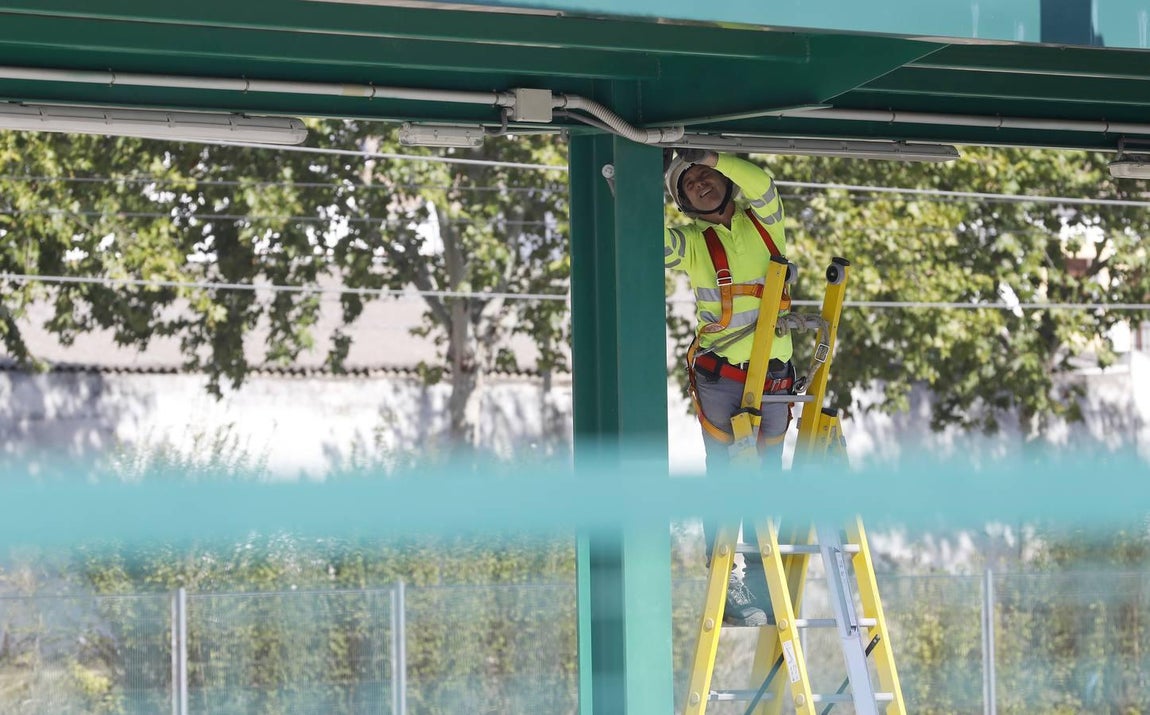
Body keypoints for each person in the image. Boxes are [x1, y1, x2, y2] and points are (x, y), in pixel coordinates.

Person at [663, 148, 797, 627]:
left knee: (767, 472)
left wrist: (713, 156)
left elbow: (761, 183)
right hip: (722, 377)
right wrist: (636, 176)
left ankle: (762, 574)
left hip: (774, 372)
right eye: (688, 183)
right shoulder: (693, 245)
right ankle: (728, 576)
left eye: (705, 175)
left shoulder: (764, 223)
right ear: (682, 201)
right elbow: (652, 239)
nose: (700, 183)